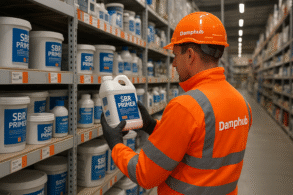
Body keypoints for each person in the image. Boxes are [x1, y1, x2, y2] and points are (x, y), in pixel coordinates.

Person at [101, 12, 252, 195]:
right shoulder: (242, 103)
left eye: (175, 55)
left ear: (189, 55)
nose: (173, 64)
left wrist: (116, 144)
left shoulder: (186, 107)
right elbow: (198, 145)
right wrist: (151, 126)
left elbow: (145, 174)